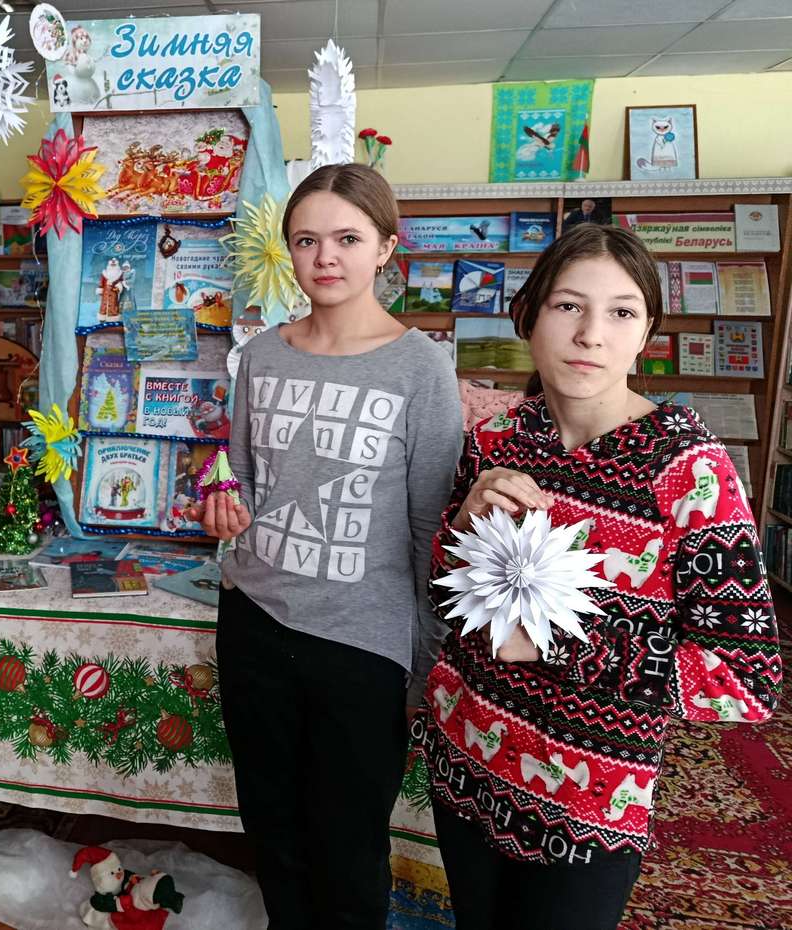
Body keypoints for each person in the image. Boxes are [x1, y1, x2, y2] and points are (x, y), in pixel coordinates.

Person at [414, 224, 783, 930]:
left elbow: (744, 680)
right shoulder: (496, 441)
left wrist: (558, 643)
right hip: (467, 758)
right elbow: (446, 595)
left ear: (646, 333)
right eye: (568, 306)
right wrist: (459, 526)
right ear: (527, 316)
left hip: (587, 804)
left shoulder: (688, 472)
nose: (591, 335)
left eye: (620, 312)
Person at [192, 163, 464, 928]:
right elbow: (242, 476)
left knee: (347, 848)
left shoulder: (420, 367)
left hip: (361, 642)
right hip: (254, 622)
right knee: (272, 832)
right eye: (306, 240)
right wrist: (224, 505)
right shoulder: (261, 356)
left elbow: (431, 530)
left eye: (347, 238)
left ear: (386, 247)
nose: (325, 258)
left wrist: (425, 663)